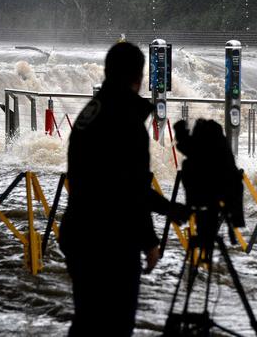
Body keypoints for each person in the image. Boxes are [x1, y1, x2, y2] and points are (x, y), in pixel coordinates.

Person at [60, 42, 187, 336]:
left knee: (87, 322)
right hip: (111, 242)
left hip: (79, 234)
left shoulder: (91, 111)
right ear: (137, 76)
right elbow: (130, 188)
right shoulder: (126, 118)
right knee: (115, 325)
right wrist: (151, 238)